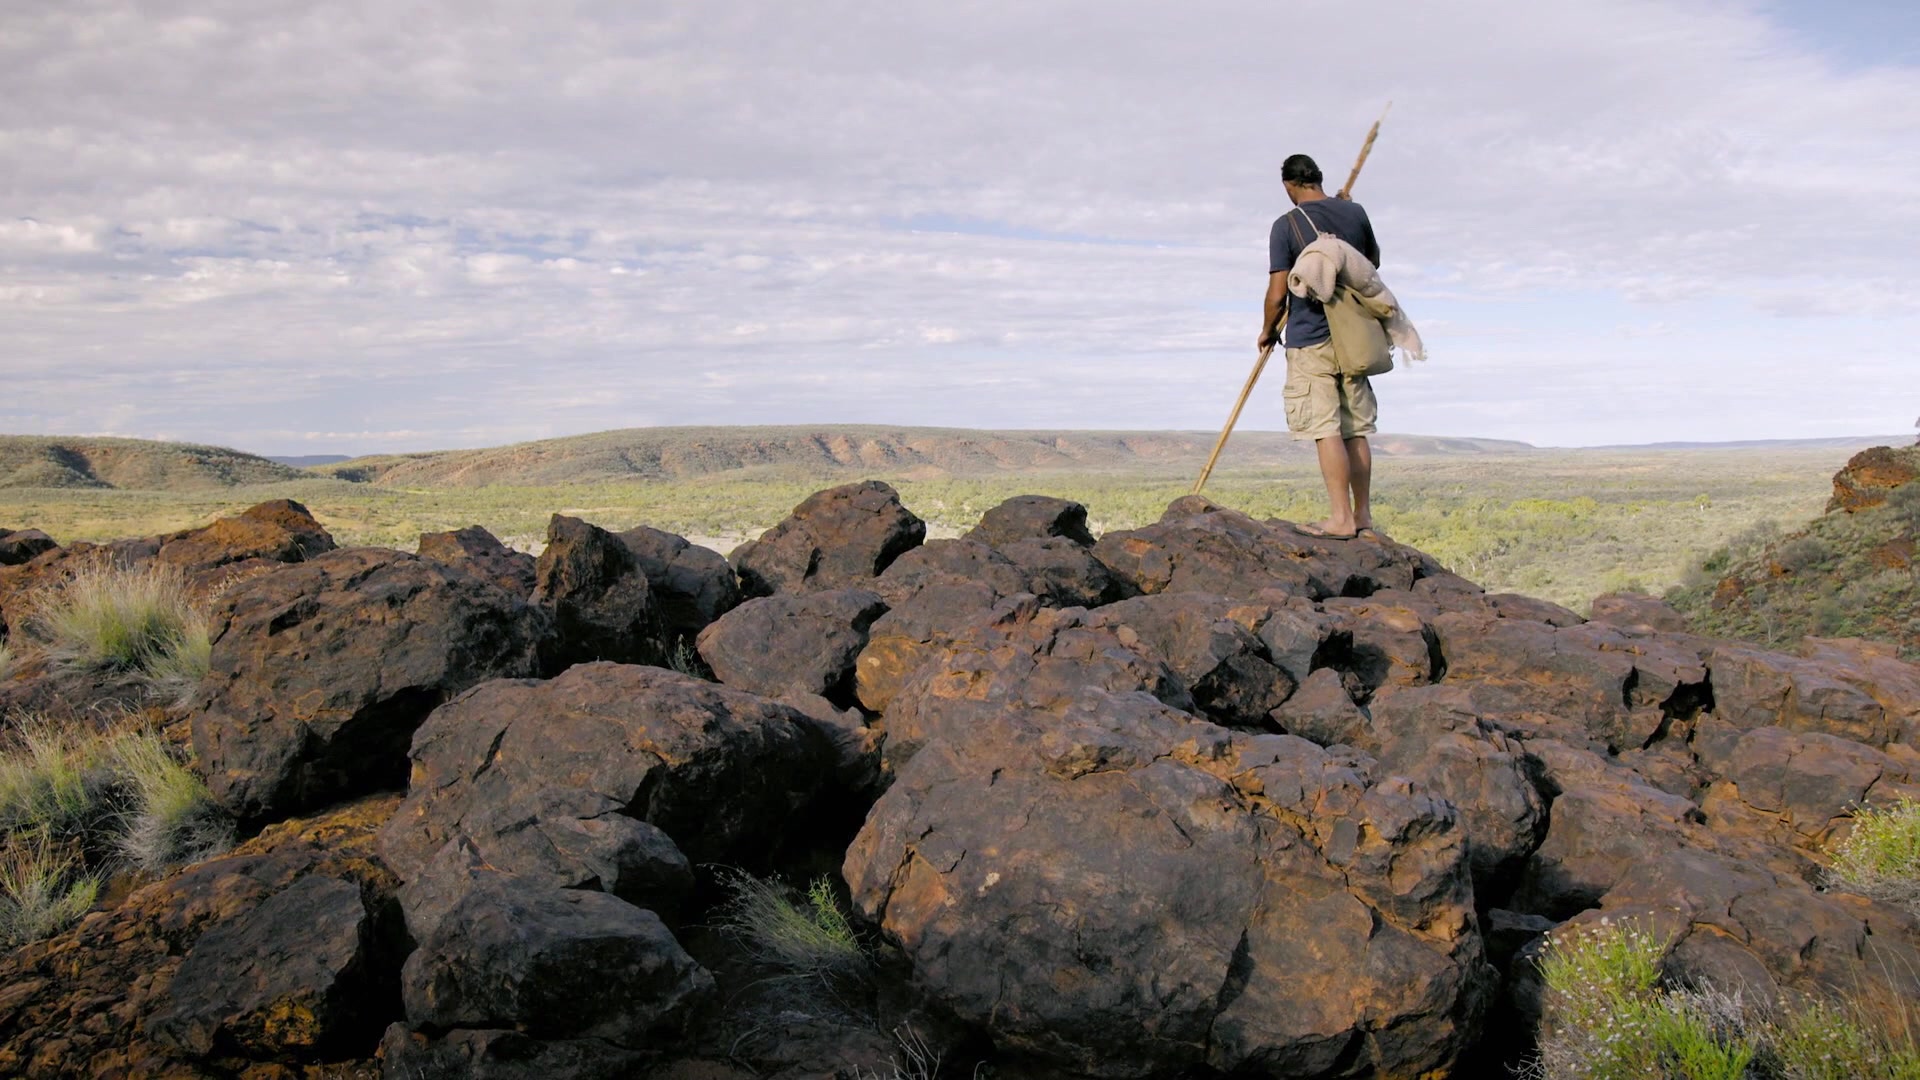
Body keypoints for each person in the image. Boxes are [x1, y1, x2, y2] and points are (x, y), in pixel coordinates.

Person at [1260, 152, 1383, 540]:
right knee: (1355, 429)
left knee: (1325, 427)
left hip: (1310, 336)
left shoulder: (1286, 225)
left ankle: (1340, 519)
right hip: (1354, 336)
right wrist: (1345, 213)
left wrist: (1266, 330)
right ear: (1320, 178)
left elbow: (1278, 291)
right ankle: (1362, 515)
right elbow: (1371, 263)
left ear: (1289, 185)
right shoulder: (1356, 212)